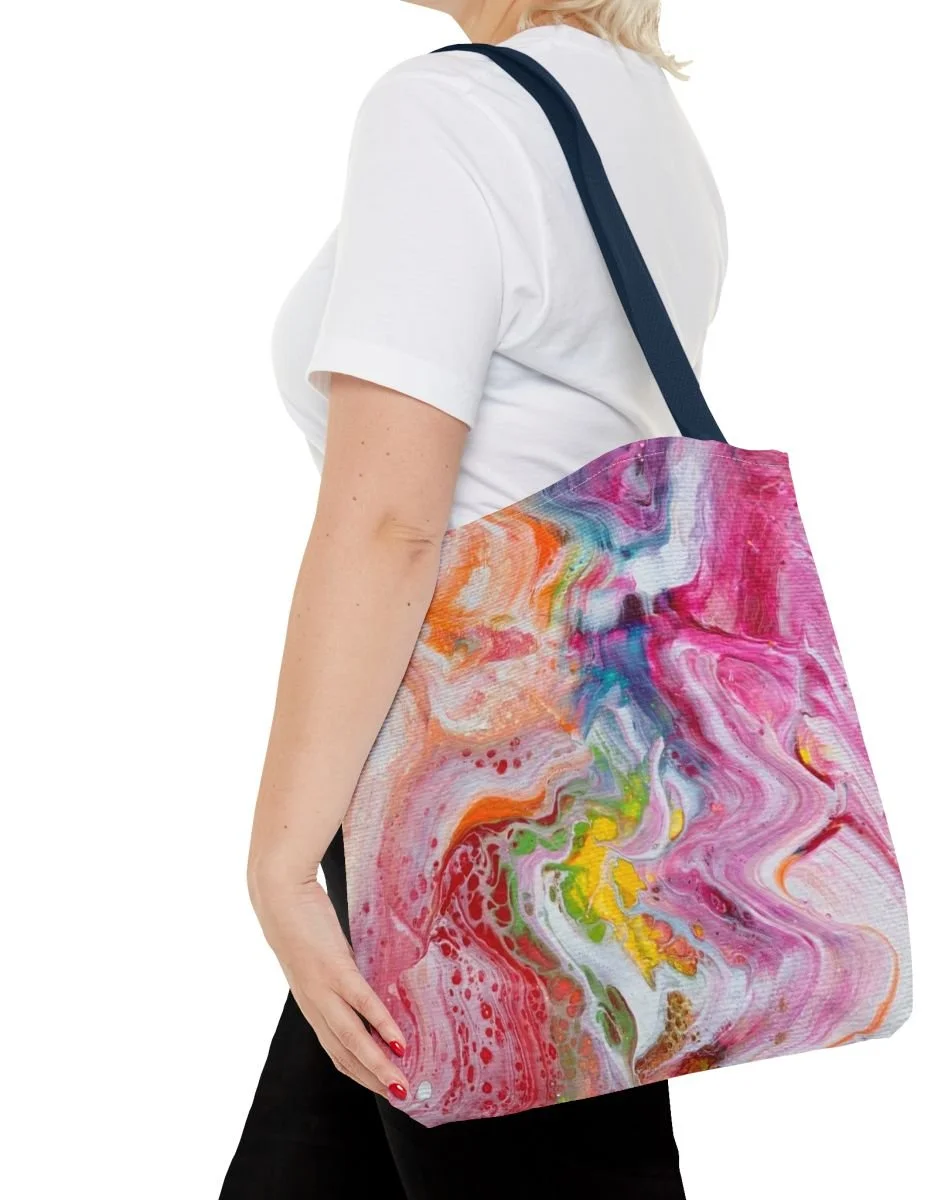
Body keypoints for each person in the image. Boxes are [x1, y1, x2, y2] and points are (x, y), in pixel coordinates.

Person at [221, 3, 725, 1196]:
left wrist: (281, 864)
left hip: (462, 814)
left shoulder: (449, 109)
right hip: (582, 781)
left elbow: (390, 522)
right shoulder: (637, 111)